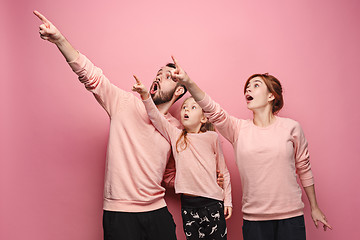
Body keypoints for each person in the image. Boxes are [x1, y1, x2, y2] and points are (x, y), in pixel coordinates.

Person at [33, 10, 229, 240]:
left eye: (167, 76)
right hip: (120, 213)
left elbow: (171, 174)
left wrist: (203, 179)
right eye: (158, 73)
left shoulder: (176, 129)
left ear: (178, 91)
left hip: (157, 212)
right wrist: (59, 40)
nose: (158, 76)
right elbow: (90, 75)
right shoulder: (124, 102)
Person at [169, 56, 332, 240]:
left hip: (291, 218)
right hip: (254, 220)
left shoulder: (291, 128)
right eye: (247, 86)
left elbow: (304, 167)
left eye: (256, 85)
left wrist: (315, 207)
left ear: (271, 96)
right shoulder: (238, 129)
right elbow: (211, 108)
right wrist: (188, 82)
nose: (248, 88)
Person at [132, 76, 232, 239]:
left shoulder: (212, 137)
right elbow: (156, 117)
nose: (186, 110)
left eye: (193, 108)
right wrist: (145, 96)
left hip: (213, 203)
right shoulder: (175, 134)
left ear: (203, 118)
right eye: (184, 107)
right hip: (189, 205)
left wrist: (227, 201)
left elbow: (224, 171)